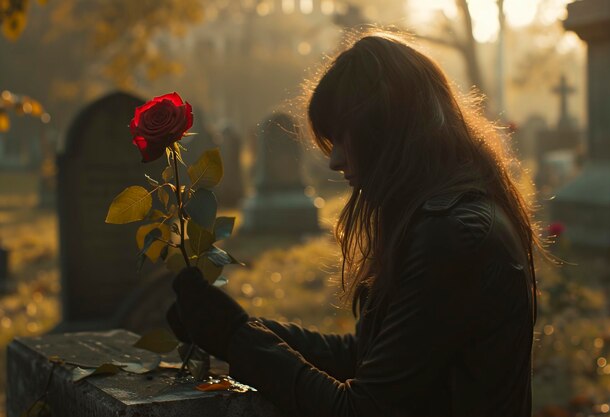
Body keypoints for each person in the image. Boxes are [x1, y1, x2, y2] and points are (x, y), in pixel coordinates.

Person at [167, 31, 539, 417]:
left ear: (388, 132)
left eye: (345, 138)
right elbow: (367, 354)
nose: (335, 160)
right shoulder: (444, 218)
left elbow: (362, 409)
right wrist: (240, 329)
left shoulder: (453, 239)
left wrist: (236, 337)